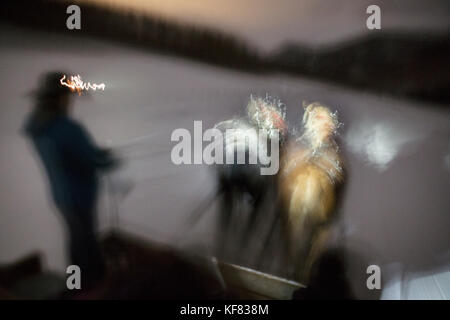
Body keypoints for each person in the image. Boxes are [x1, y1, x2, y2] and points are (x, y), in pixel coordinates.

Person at [23, 71, 119, 289]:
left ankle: (76, 284)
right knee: (87, 243)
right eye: (67, 96)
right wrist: (108, 159)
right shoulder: (68, 129)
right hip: (80, 197)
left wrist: (94, 154)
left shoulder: (39, 126)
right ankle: (92, 287)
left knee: (76, 239)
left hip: (60, 197)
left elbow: (72, 155)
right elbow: (92, 160)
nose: (71, 101)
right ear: (57, 98)